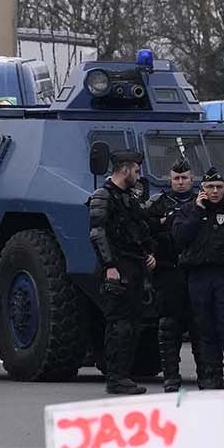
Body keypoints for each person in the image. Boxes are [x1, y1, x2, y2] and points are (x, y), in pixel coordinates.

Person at [173, 168, 224, 390]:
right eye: (210, 187)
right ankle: (213, 375)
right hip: (199, 276)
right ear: (202, 189)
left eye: (219, 187)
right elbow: (180, 238)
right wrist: (197, 212)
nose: (215, 191)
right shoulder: (189, 211)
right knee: (205, 328)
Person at [88, 148, 157, 395]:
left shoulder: (129, 197)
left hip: (134, 266)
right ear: (125, 169)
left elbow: (140, 228)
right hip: (117, 267)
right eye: (136, 170)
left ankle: (123, 375)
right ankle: (116, 378)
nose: (139, 175)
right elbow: (97, 233)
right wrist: (110, 266)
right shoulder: (103, 196)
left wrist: (149, 253)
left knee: (132, 325)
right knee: (119, 325)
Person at [147, 160, 200, 393]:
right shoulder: (159, 203)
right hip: (168, 270)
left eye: (184, 178)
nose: (180, 182)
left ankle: (206, 375)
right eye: (176, 178)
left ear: (192, 179)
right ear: (170, 179)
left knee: (201, 326)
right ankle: (171, 376)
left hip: (197, 270)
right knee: (169, 326)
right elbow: (142, 228)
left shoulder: (202, 201)